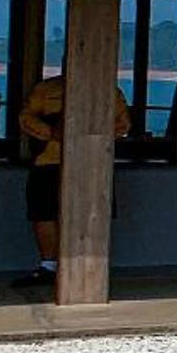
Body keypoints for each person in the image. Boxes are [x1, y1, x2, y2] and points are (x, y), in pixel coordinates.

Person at [12, 71, 132, 288]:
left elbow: (123, 124)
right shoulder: (46, 89)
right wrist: (52, 132)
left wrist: (91, 134)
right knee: (43, 212)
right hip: (49, 160)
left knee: (93, 213)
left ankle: (87, 265)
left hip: (92, 162)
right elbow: (26, 118)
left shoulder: (109, 92)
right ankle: (49, 266)